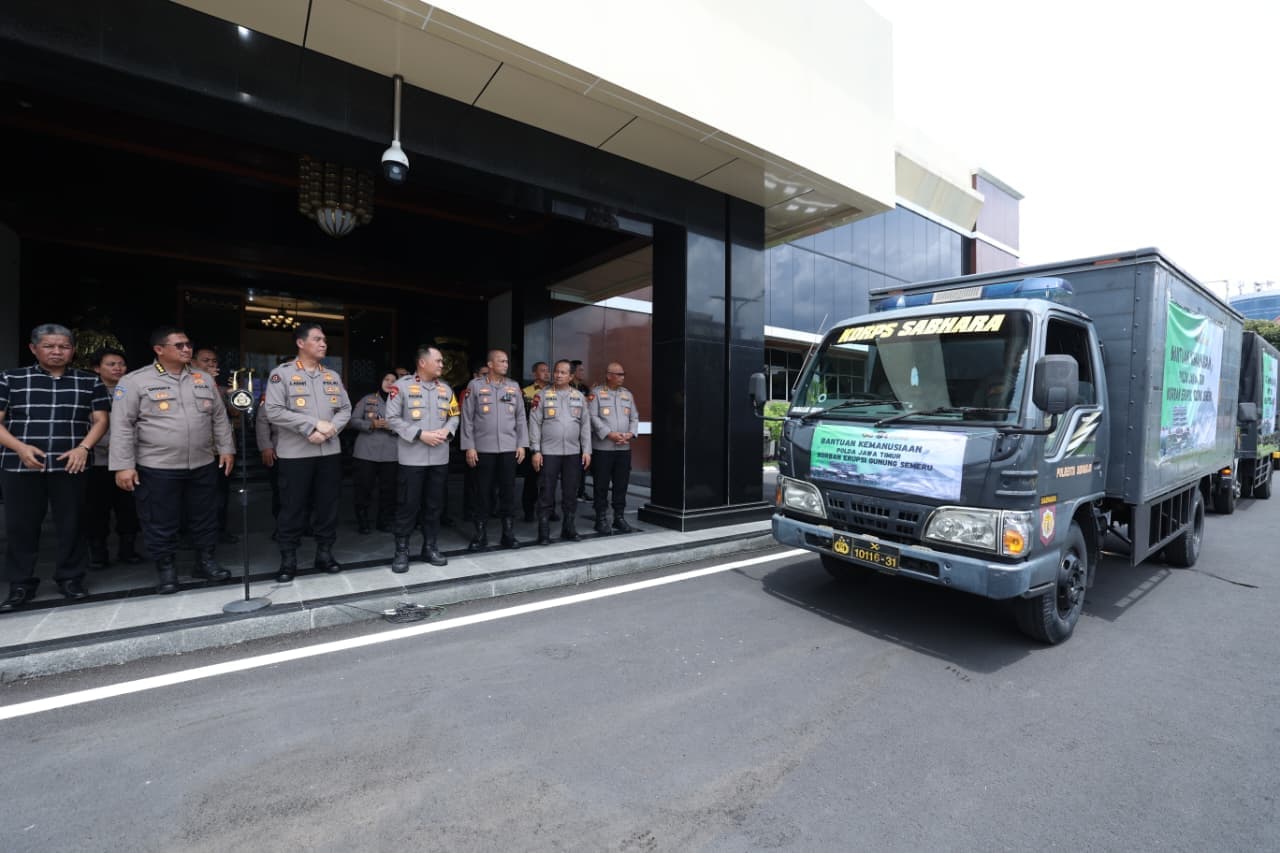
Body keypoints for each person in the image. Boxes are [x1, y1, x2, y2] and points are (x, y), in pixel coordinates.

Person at [110, 326, 234, 594]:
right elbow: (122, 426)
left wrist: (226, 449)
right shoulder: (135, 381)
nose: (187, 349)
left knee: (205, 517)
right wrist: (123, 465)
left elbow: (219, 418)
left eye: (188, 344)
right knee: (160, 521)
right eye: (179, 345)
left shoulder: (202, 378)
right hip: (157, 466)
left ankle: (205, 562)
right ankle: (166, 570)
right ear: (159, 350)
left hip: (201, 463)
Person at [0, 324, 110, 611]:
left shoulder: (89, 381)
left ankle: (71, 578)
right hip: (21, 465)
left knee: (72, 524)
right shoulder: (11, 378)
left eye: (63, 346)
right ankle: (20, 583)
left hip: (70, 464)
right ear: (33, 348)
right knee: (21, 527)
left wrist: (84, 448)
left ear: (73, 350)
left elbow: (100, 420)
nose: (57, 351)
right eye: (49, 346)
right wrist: (20, 447)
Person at [264, 322, 352, 582]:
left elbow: (345, 409)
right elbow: (274, 411)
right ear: (301, 343)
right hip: (295, 455)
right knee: (292, 507)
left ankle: (324, 553)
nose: (324, 343)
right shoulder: (282, 374)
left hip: (329, 453)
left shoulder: (332, 376)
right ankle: (288, 559)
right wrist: (311, 425)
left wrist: (329, 430)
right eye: (317, 339)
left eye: (325, 339)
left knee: (327, 506)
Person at [386, 346, 459, 572]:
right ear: (422, 363)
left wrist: (447, 431)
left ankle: (430, 547)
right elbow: (392, 418)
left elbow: (454, 415)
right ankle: (401, 551)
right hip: (412, 458)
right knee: (407, 506)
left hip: (439, 458)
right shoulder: (401, 387)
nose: (441, 365)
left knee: (434, 506)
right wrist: (420, 434)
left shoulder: (446, 390)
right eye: (437, 361)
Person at [459, 349, 527, 550]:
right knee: (483, 493)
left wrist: (522, 444)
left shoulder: (513, 387)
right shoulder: (476, 386)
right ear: (490, 364)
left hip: (508, 449)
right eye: (501, 361)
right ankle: (480, 534)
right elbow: (467, 418)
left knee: (508, 492)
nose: (506, 364)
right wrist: (469, 446)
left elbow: (521, 418)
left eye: (507, 361)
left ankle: (508, 533)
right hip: (483, 449)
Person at [85, 347, 144, 569]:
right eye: (111, 364)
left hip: (130, 460)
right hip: (98, 460)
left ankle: (127, 549)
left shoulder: (134, 390)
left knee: (129, 508)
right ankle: (98, 553)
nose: (118, 368)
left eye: (121, 364)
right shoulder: (88, 391)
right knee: (96, 509)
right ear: (96, 368)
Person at [528, 360, 591, 545]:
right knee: (546, 492)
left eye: (563, 373)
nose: (558, 375)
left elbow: (585, 426)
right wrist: (535, 451)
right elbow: (534, 424)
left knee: (571, 492)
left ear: (571, 377)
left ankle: (569, 528)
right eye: (557, 372)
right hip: (549, 452)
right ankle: (544, 531)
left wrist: (586, 450)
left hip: (573, 453)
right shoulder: (542, 396)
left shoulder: (579, 397)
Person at [589, 361, 640, 535]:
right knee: (601, 484)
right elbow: (592, 417)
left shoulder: (627, 395)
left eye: (623, 374)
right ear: (608, 375)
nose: (622, 377)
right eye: (619, 374)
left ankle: (619, 517)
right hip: (603, 448)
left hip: (623, 449)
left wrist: (630, 434)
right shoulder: (596, 394)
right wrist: (608, 433)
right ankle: (601, 518)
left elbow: (634, 417)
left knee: (621, 484)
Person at [350, 372, 399, 534]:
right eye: (386, 379)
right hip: (366, 452)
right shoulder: (368, 399)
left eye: (393, 381)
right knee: (364, 488)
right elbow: (353, 420)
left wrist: (391, 427)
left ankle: (384, 521)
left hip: (391, 452)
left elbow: (408, 425)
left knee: (389, 490)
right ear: (380, 381)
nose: (389, 383)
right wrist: (371, 424)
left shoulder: (401, 401)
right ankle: (363, 520)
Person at [521, 361, 551, 523]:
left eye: (548, 371)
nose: (547, 373)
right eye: (543, 371)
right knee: (532, 478)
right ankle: (528, 509)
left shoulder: (554, 391)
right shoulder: (526, 392)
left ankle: (548, 508)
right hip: (532, 441)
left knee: (549, 478)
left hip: (550, 442)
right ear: (534, 374)